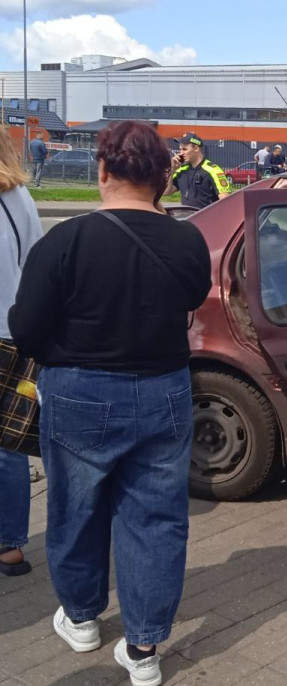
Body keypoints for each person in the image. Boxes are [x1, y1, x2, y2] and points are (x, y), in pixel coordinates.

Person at [8, 121, 211, 686]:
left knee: (76, 509)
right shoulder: (189, 240)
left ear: (101, 171)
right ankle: (144, 649)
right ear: (164, 178)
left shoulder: (66, 241)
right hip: (165, 390)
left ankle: (81, 619)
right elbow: (193, 298)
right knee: (157, 519)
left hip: (80, 392)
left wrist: (62, 356)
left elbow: (24, 328)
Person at [0, 127, 42, 578]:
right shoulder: (21, 200)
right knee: (7, 445)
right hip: (9, 334)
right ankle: (10, 546)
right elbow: (34, 265)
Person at [164, 132, 230, 209]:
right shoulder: (181, 170)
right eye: (180, 149)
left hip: (206, 218)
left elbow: (225, 200)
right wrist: (172, 170)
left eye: (184, 149)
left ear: (196, 148)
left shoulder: (213, 170)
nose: (181, 153)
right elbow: (166, 192)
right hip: (187, 217)